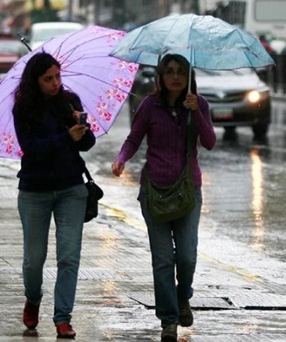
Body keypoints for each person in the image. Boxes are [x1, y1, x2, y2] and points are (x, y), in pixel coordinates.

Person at [111, 54, 216, 342]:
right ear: (160, 76)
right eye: (169, 71)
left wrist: (196, 113)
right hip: (154, 192)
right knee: (162, 260)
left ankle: (184, 297)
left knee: (187, 256)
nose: (175, 77)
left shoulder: (199, 104)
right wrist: (121, 160)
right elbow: (134, 138)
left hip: (187, 191)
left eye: (181, 72)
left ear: (189, 76)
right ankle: (168, 321)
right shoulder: (149, 106)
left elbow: (209, 142)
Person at [12, 52, 95, 339]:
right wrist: (65, 138)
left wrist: (82, 128)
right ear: (35, 81)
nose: (55, 83)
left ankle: (63, 318)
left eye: (58, 77)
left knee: (69, 257)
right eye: (48, 79)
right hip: (34, 190)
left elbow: (87, 144)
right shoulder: (23, 107)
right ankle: (33, 298)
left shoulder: (69, 102)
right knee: (34, 260)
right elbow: (31, 148)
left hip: (72, 189)